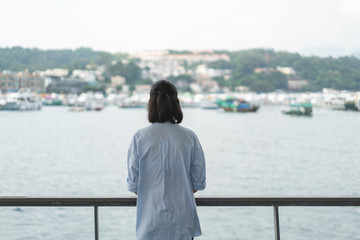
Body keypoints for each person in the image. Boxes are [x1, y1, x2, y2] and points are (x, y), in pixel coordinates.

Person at [127, 80, 206, 240]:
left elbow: (134, 185)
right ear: (176, 104)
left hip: (150, 224)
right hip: (182, 223)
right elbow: (198, 183)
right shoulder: (189, 137)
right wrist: (178, 190)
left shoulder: (140, 138)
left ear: (151, 104)